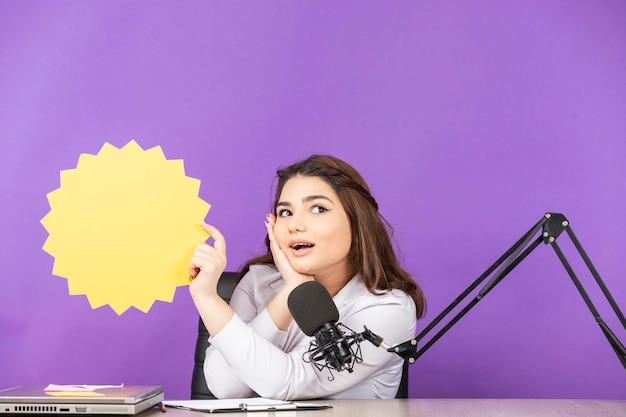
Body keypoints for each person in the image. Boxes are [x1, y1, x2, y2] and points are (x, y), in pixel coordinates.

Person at [188, 154, 426, 400]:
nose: (294, 225)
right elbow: (227, 387)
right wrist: (289, 293)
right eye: (285, 212)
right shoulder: (259, 283)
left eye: (318, 209)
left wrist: (210, 301)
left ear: (357, 222)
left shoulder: (388, 308)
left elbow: (288, 383)